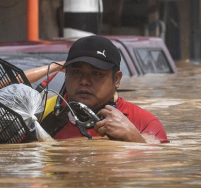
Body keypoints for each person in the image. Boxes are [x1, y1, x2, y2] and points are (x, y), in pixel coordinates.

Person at [41, 35, 169, 143]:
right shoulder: (41, 113)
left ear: (117, 79)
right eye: (76, 72)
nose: (84, 81)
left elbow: (158, 162)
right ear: (66, 75)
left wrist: (133, 138)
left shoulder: (144, 123)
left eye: (96, 74)